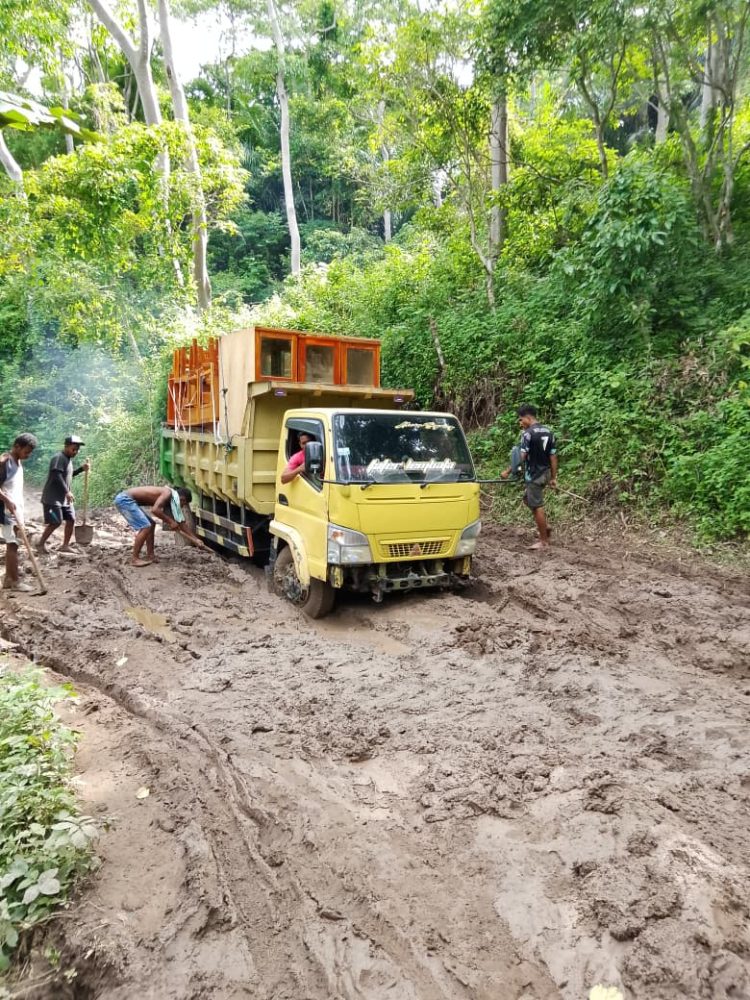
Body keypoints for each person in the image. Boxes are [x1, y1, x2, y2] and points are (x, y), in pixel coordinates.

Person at [501, 404, 558, 550]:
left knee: (537, 505)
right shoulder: (548, 431)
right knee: (527, 499)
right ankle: (545, 526)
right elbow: (553, 456)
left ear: (528, 417)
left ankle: (543, 541)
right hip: (545, 473)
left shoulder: (528, 434)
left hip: (534, 475)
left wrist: (508, 471)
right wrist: (553, 477)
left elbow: (522, 455)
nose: (520, 423)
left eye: (521, 420)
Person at [113, 485, 206, 567]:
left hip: (128, 500)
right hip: (124, 500)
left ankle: (151, 555)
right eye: (183, 504)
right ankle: (134, 559)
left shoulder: (173, 498)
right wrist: (170, 521)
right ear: (182, 499)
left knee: (151, 524)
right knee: (146, 526)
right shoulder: (168, 493)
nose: (181, 507)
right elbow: (155, 510)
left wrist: (195, 539)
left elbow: (181, 523)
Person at [37, 435, 90, 555]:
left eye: (77, 449)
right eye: (73, 448)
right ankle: (40, 544)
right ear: (66, 446)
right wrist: (67, 492)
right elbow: (56, 476)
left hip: (64, 499)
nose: (76, 451)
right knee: (56, 522)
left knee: (71, 519)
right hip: (52, 498)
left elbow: (68, 476)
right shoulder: (58, 458)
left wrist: (81, 469)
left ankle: (65, 545)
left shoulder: (68, 460)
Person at [0, 433, 38, 591]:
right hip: (7, 511)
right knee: (12, 544)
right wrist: (7, 501)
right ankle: (15, 581)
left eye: (30, 452)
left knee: (14, 543)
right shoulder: (5, 462)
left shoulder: (18, 462)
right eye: (26, 451)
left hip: (16, 509)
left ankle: (9, 580)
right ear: (17, 446)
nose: (28, 455)